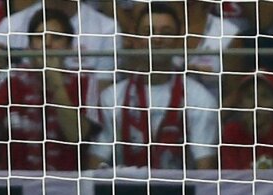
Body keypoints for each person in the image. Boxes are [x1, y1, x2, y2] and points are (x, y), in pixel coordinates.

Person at [86, 3, 218, 171]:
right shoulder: (111, 98)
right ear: (135, 40)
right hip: (124, 186)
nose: (157, 39)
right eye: (148, 32)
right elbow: (95, 166)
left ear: (179, 40)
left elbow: (205, 171)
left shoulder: (201, 100)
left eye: (166, 33)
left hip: (181, 187)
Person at [0, 7, 99, 172]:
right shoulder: (12, 81)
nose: (47, 43)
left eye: (56, 37)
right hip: (17, 182)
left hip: (67, 183)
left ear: (70, 47)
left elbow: (77, 136)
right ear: (29, 47)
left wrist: (55, 82)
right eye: (40, 37)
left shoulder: (85, 82)